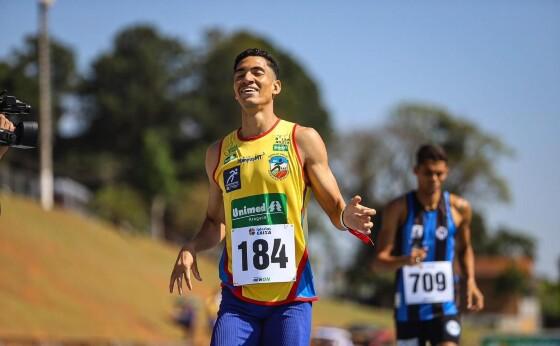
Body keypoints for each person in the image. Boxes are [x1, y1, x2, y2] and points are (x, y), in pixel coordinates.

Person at [169, 48, 376, 346]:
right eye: (240, 74)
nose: (247, 78)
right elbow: (216, 221)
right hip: (238, 302)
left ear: (276, 86)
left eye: (257, 72)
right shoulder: (217, 153)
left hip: (291, 299)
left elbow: (334, 208)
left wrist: (347, 217)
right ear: (234, 91)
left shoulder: (302, 139)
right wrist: (191, 246)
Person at [373, 144, 484, 346]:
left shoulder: (460, 208)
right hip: (408, 309)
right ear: (416, 171)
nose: (434, 179)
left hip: (446, 305)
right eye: (428, 173)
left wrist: (471, 281)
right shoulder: (397, 208)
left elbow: (465, 248)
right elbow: (379, 262)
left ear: (447, 173)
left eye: (439, 174)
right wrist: (405, 260)